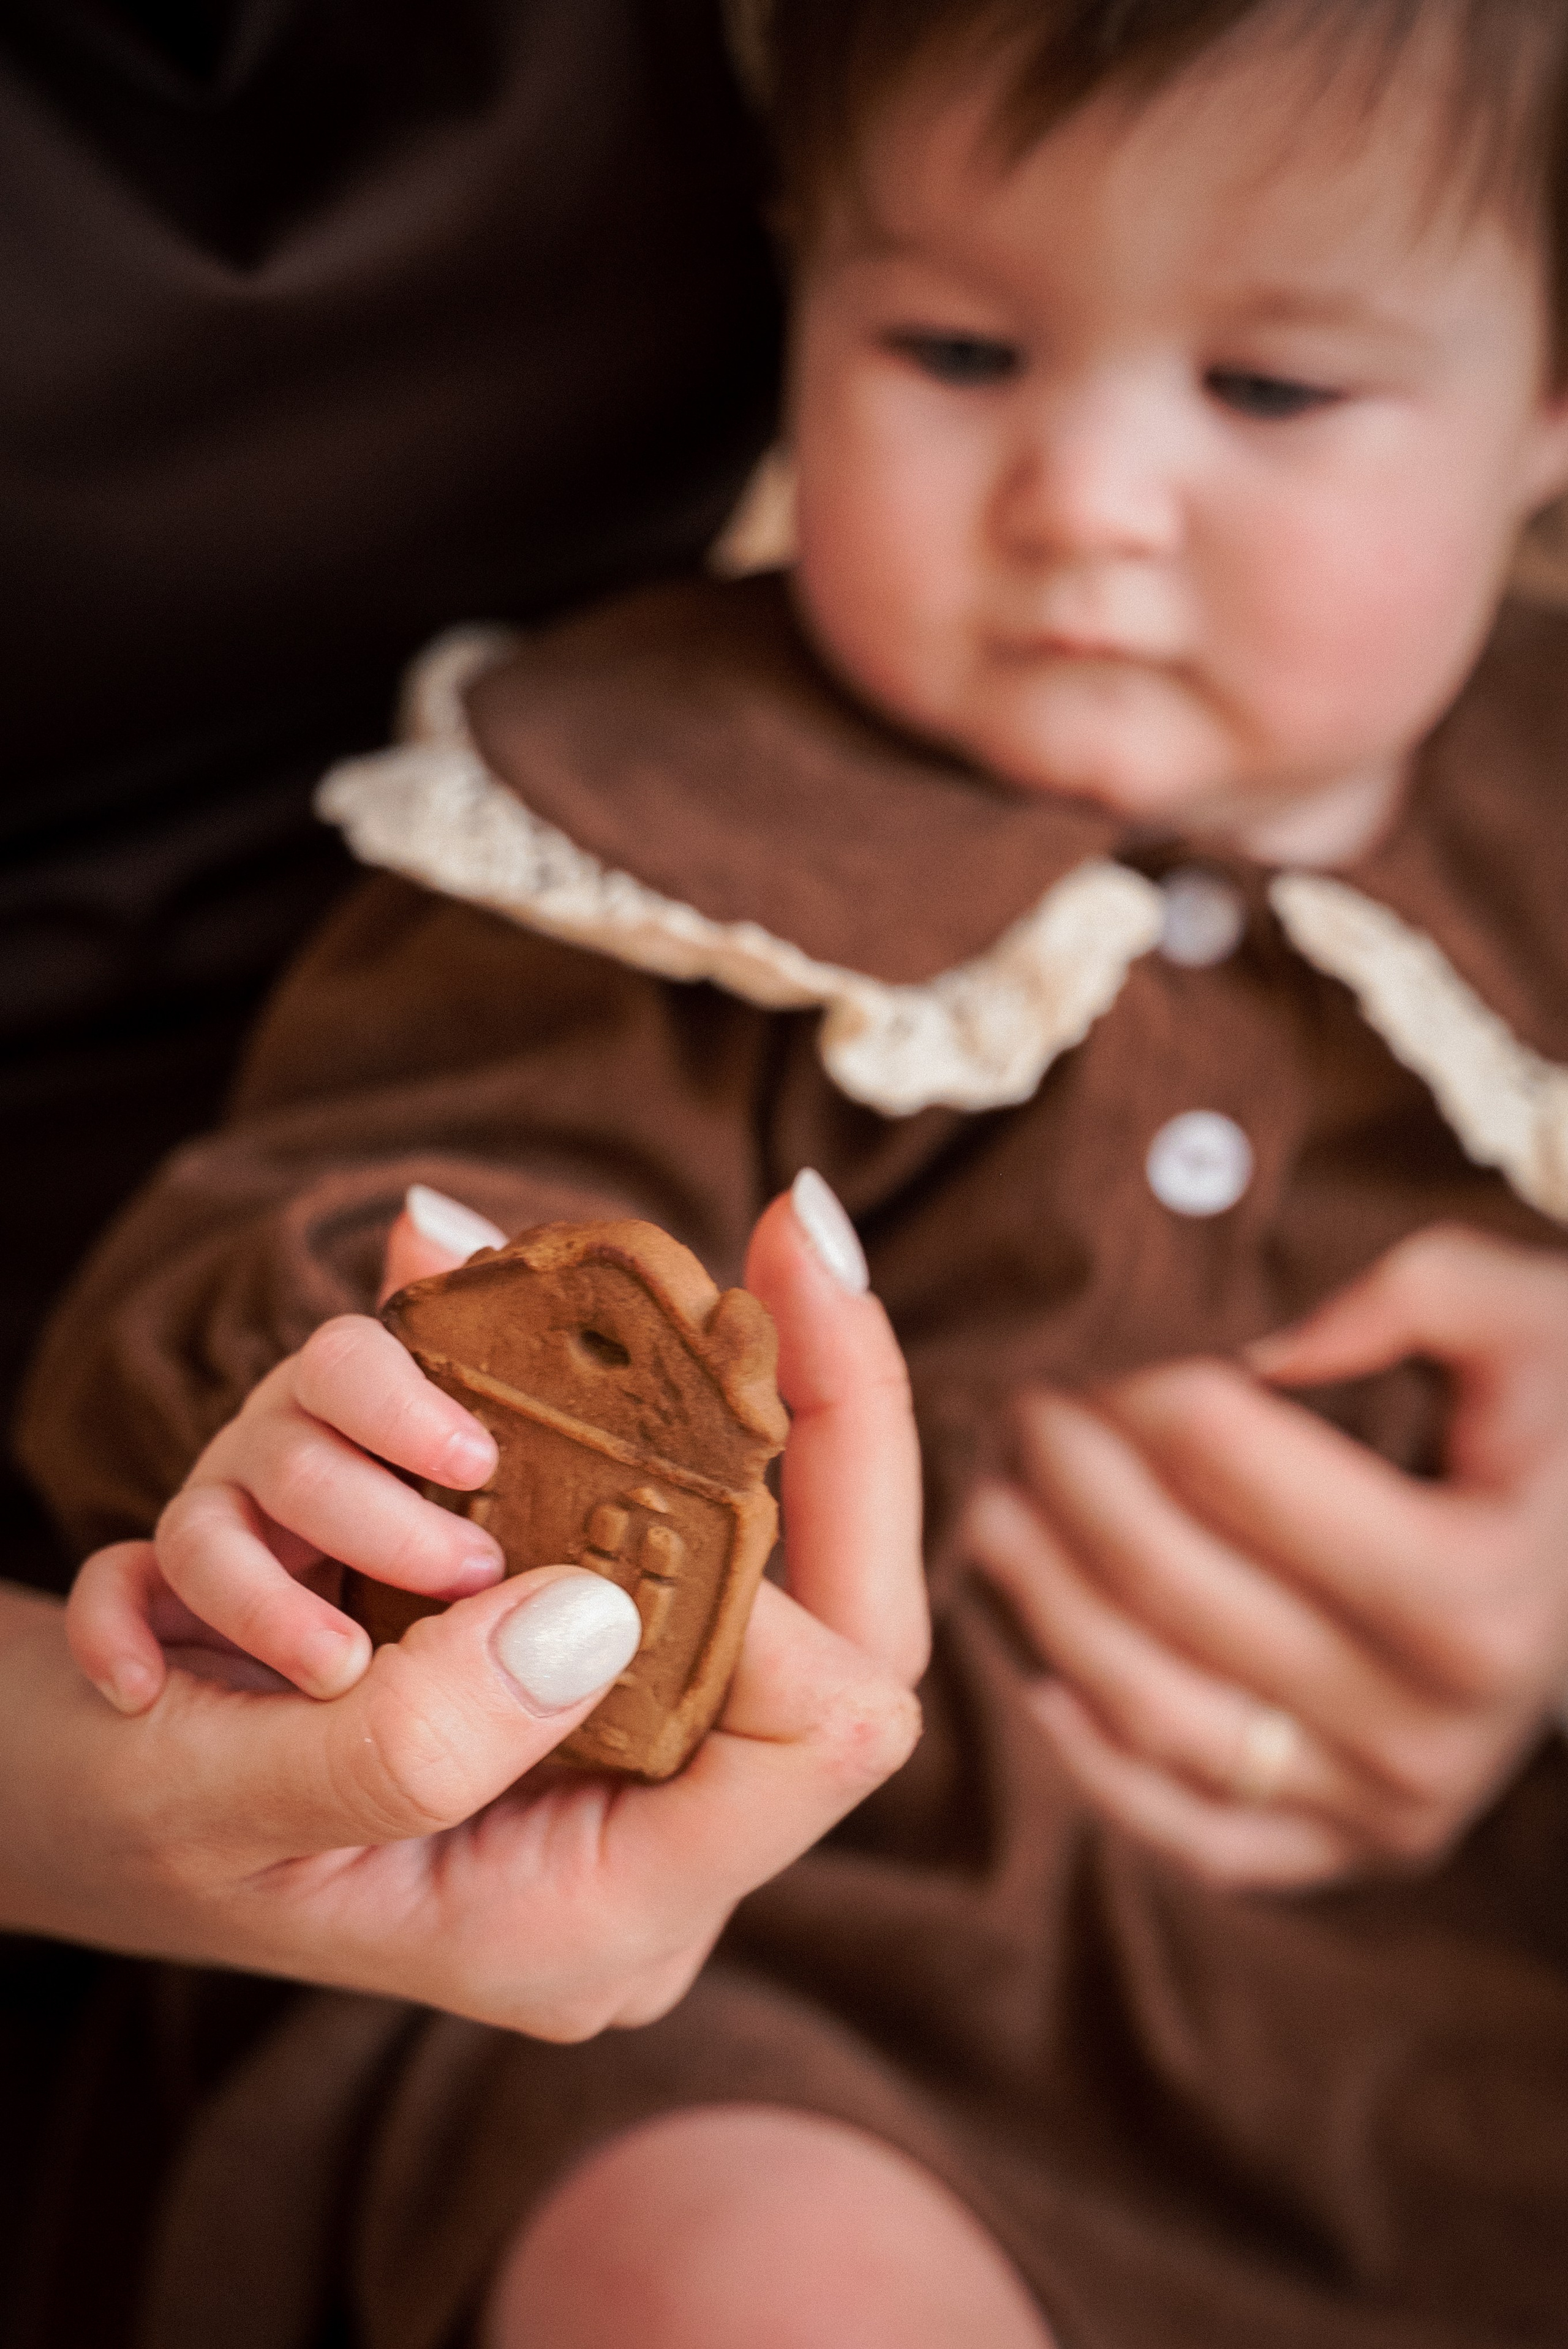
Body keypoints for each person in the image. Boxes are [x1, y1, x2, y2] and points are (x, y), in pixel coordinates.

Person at [21, 0, 1568, 2340]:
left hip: (1416, 2026)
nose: (1089, 498)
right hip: (748, 1996)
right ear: (793, 297)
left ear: (1548, 406)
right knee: (746, 2277)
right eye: (957, 346)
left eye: (1269, 391)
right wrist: (342, 1418)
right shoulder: (662, 806)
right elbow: (367, 1216)